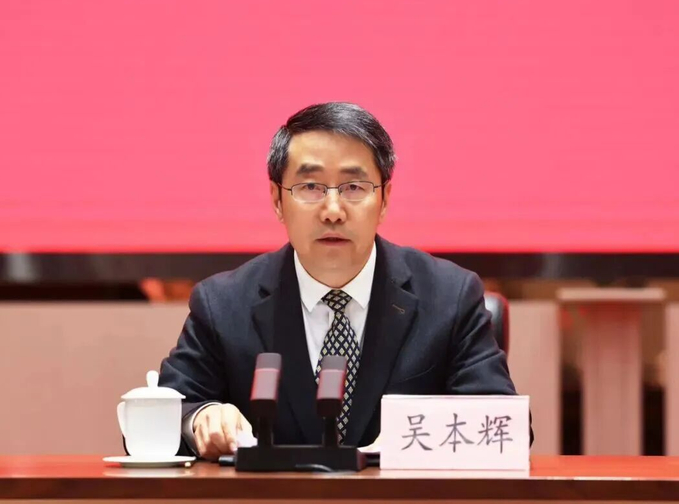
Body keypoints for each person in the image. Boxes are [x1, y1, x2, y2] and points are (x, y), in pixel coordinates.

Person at [158, 102, 525, 460]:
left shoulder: (450, 297)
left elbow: (504, 425)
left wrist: (418, 432)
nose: (332, 211)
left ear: (384, 199)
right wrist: (200, 418)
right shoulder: (223, 304)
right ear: (277, 200)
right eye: (310, 187)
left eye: (354, 187)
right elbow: (165, 414)